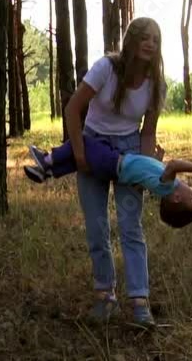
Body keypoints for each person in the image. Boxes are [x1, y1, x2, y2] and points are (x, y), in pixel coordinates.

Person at [58, 17, 167, 327]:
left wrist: (146, 170)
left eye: (155, 40)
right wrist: (79, 154)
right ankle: (105, 296)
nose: (150, 44)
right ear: (131, 40)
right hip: (93, 145)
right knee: (96, 226)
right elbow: (73, 108)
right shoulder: (106, 67)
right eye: (144, 37)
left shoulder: (156, 83)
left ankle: (139, 302)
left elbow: (148, 134)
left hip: (130, 150)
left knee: (131, 226)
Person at [23, 140, 192, 228]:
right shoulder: (160, 186)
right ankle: (47, 173)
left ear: (176, 198)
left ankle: (47, 159)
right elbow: (144, 175)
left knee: (82, 142)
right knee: (80, 160)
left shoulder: (168, 185)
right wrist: (157, 160)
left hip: (113, 163)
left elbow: (175, 164)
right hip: (112, 167)